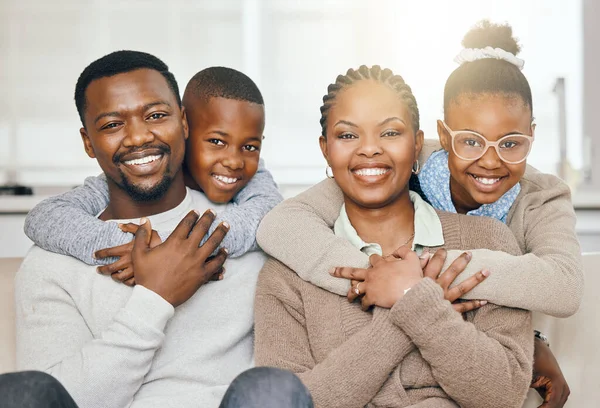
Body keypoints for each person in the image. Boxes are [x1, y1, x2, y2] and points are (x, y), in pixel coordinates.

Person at [257, 22, 580, 407]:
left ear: (414, 143)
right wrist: (404, 292)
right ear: (442, 140)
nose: (370, 149)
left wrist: (417, 282)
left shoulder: (500, 237)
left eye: (391, 133)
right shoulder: (290, 268)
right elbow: (286, 400)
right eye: (348, 135)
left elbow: (503, 389)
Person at [11, 50, 307, 408]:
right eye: (111, 124)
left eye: (155, 115)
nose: (137, 137)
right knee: (20, 393)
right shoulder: (52, 261)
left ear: (184, 123)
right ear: (88, 142)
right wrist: (156, 297)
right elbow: (55, 398)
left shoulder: (252, 227)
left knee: (273, 387)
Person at [23, 66, 283, 282]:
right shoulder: (146, 169)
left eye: (250, 146)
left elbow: (270, 214)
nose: (233, 160)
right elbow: (45, 216)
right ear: (183, 128)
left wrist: (171, 252)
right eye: (216, 141)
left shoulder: (252, 172)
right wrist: (139, 252)